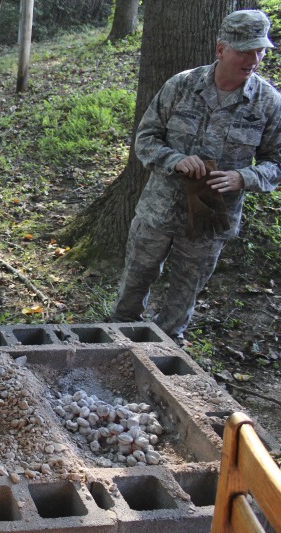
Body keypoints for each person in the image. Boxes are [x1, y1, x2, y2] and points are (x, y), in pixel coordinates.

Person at [110, 9, 281, 345]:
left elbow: (277, 162)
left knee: (182, 299)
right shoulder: (182, 85)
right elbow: (145, 138)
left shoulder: (267, 102)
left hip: (209, 221)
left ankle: (164, 358)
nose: (254, 58)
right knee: (133, 286)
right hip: (158, 212)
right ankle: (115, 346)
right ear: (221, 49)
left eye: (260, 50)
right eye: (245, 50)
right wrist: (174, 159)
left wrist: (243, 177)